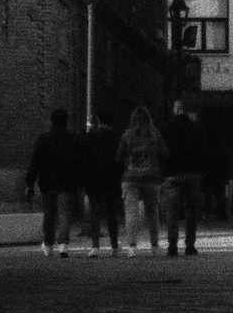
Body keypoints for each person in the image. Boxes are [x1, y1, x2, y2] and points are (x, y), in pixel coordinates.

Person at [24, 108, 83, 258]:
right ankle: (63, 246)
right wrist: (80, 180)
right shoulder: (73, 138)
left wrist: (30, 182)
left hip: (48, 182)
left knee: (49, 214)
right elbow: (80, 162)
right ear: (66, 121)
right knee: (64, 213)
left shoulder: (43, 139)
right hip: (67, 182)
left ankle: (48, 245)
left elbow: (35, 162)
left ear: (52, 121)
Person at [161, 100, 210, 256]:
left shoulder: (167, 129)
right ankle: (190, 245)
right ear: (186, 111)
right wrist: (202, 171)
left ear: (175, 110)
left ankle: (172, 245)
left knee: (172, 212)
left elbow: (162, 153)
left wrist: (164, 172)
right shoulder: (197, 129)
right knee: (191, 212)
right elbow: (204, 152)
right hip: (192, 174)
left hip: (172, 175)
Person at [116, 105, 166, 254]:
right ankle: (154, 245)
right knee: (152, 213)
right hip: (152, 178)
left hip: (130, 178)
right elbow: (164, 153)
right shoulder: (155, 135)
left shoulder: (127, 135)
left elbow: (119, 157)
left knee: (131, 214)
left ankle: (132, 247)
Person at [81, 107, 123, 257]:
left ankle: (95, 246)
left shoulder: (91, 135)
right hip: (112, 178)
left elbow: (85, 157)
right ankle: (114, 246)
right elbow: (120, 158)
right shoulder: (117, 136)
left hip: (93, 177)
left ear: (98, 120)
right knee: (112, 213)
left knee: (95, 213)